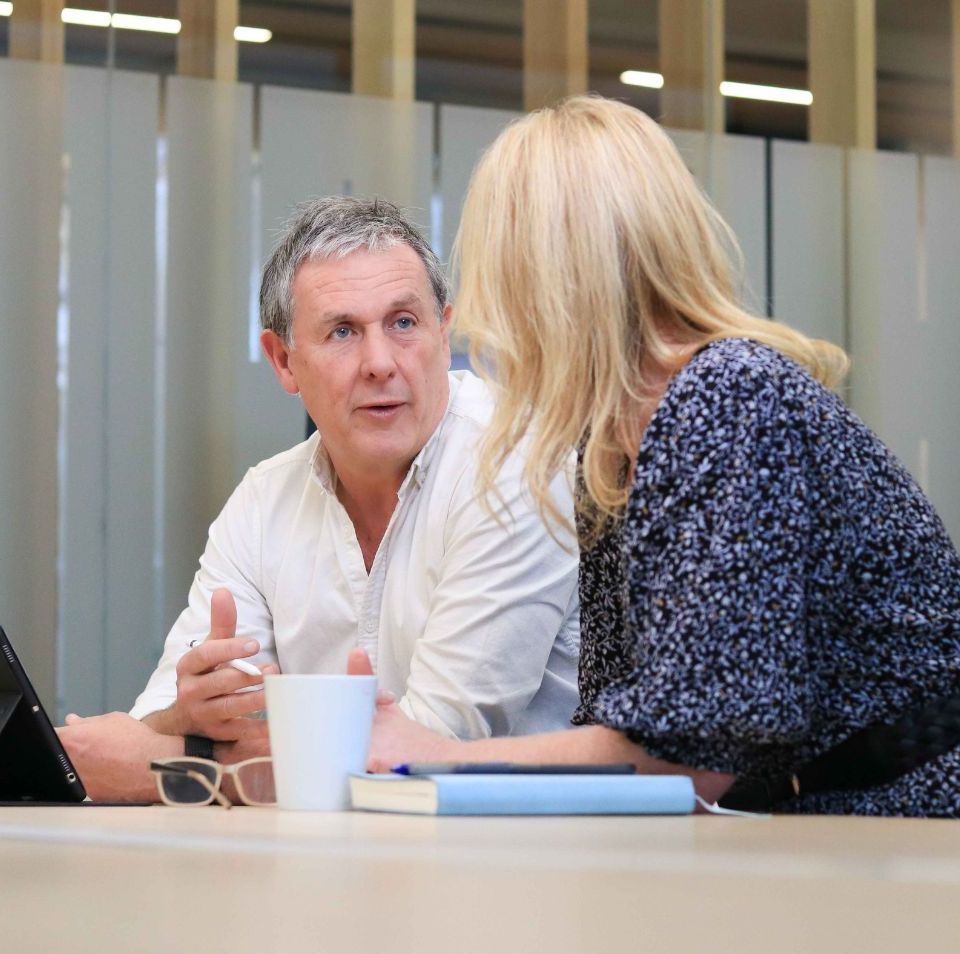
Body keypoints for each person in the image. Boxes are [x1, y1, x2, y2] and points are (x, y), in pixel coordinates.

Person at [353, 95, 960, 816]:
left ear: (542, 272)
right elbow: (628, 725)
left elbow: (691, 754)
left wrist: (436, 757)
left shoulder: (729, 398)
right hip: (820, 827)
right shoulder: (609, 449)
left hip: (911, 820)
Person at [59, 197, 580, 801]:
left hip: (520, 865)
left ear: (443, 330)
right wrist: (188, 721)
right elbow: (163, 716)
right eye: (342, 332)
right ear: (284, 360)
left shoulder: (514, 462)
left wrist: (170, 768)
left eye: (404, 323)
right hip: (328, 861)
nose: (381, 362)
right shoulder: (264, 498)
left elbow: (431, 745)